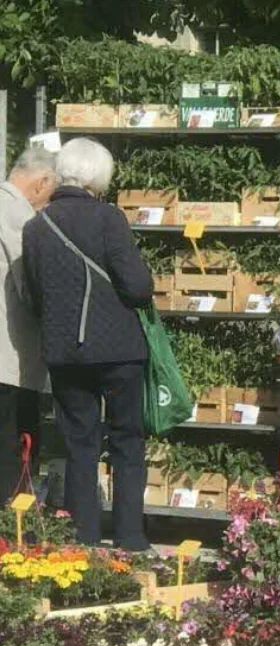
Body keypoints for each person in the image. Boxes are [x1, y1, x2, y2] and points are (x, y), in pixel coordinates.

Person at [23, 137, 153, 550]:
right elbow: (138, 288)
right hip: (118, 352)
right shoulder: (108, 218)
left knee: (80, 444)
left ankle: (83, 539)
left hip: (66, 354)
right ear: (100, 177)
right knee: (126, 442)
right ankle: (130, 538)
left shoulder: (35, 226)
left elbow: (34, 293)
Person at [0, 148, 56, 506]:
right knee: (11, 445)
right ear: (42, 182)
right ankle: (10, 530)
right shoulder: (17, 215)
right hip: (8, 355)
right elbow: (31, 286)